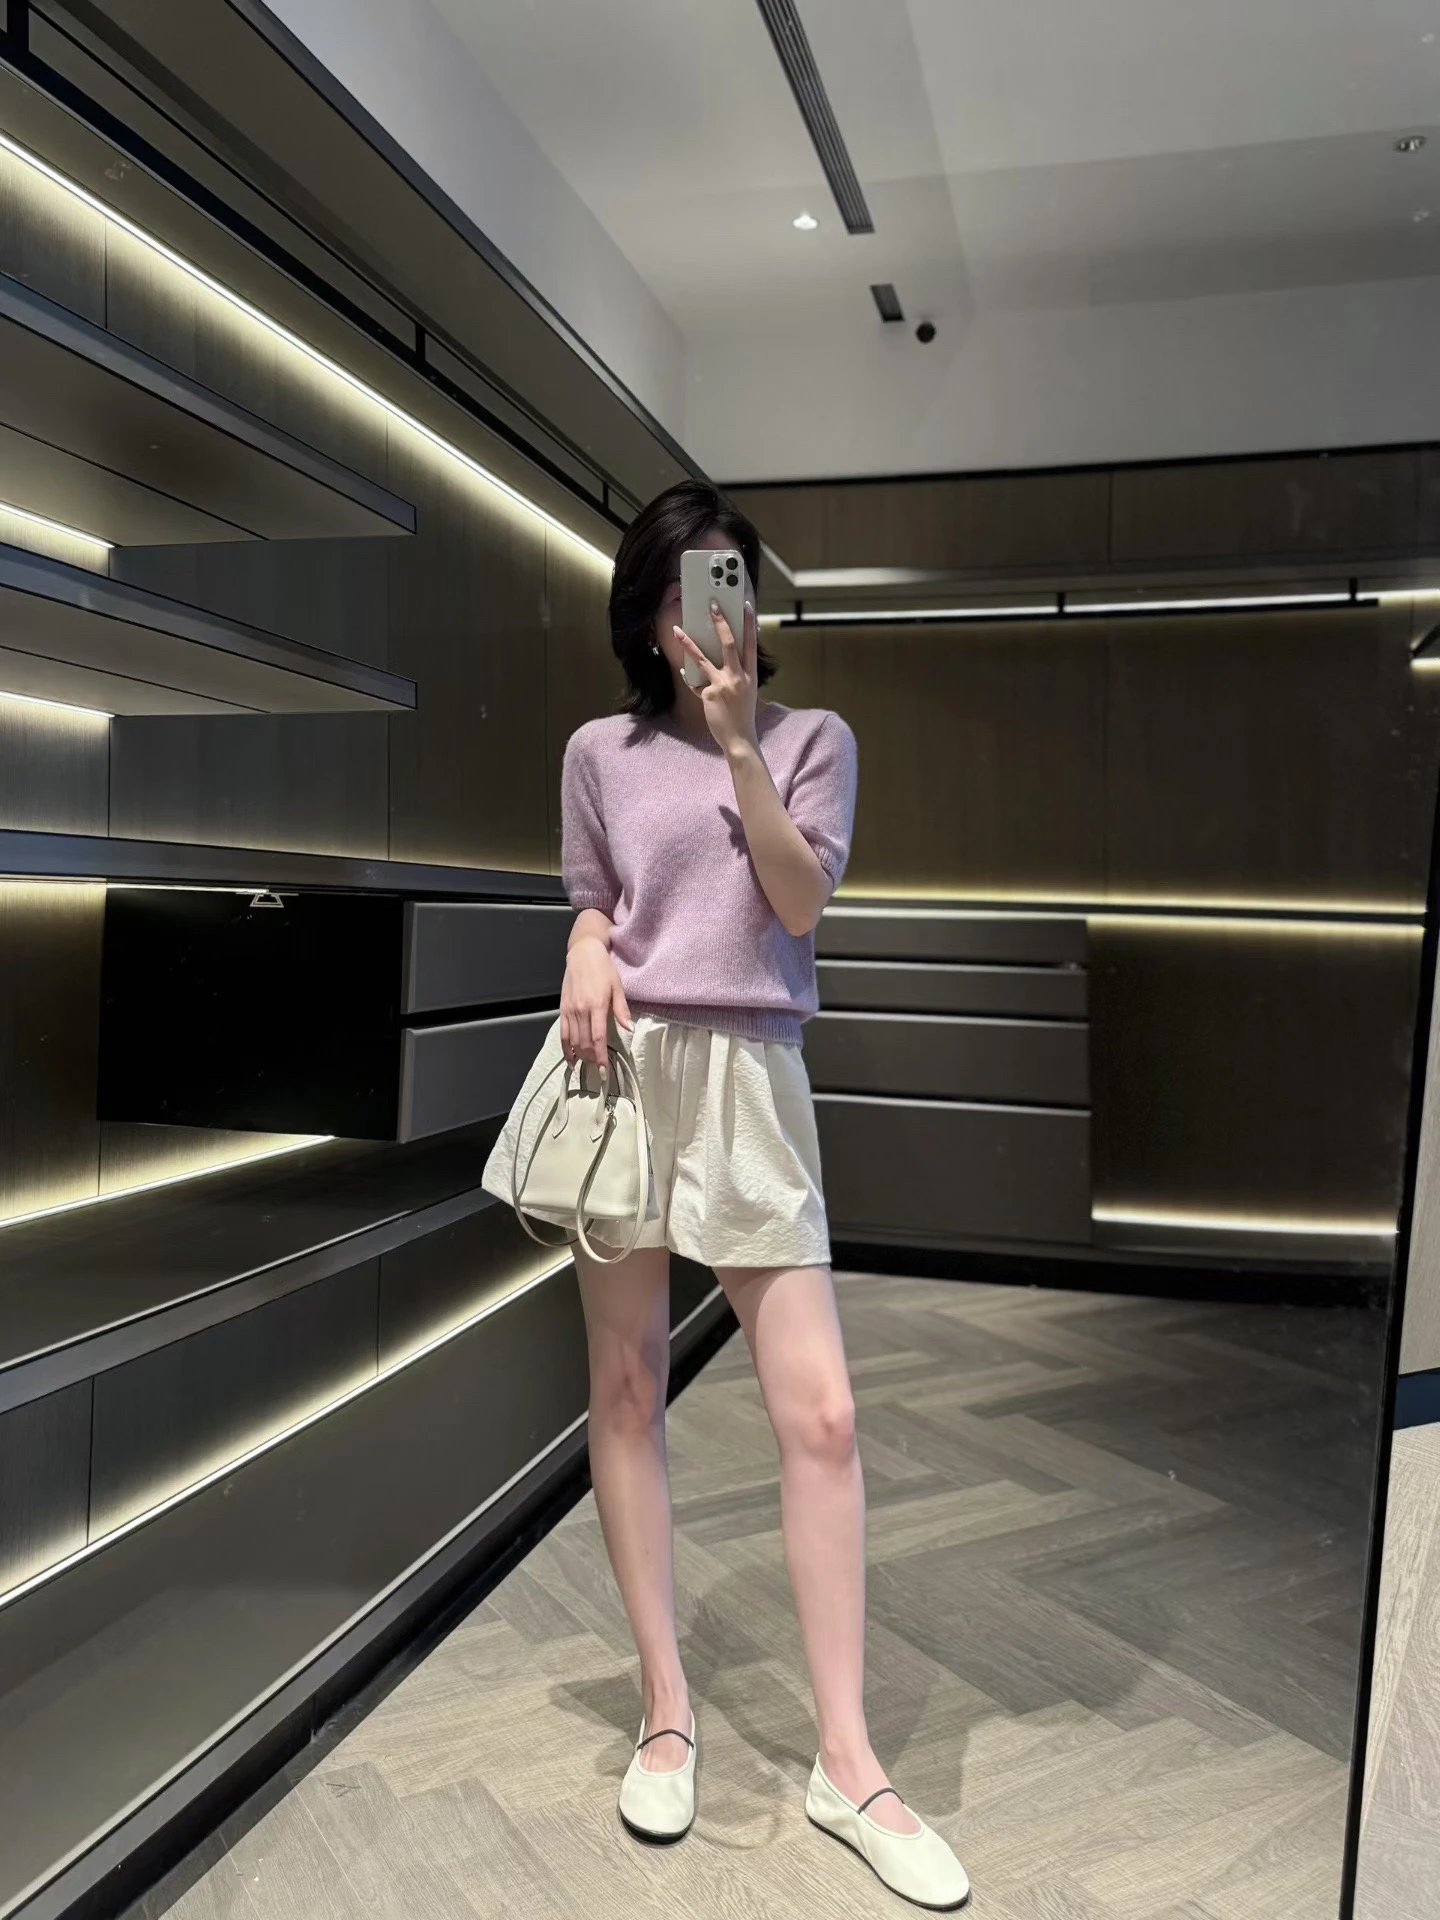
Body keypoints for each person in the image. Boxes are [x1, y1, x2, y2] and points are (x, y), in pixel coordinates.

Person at [483, 479, 969, 1910]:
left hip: (754, 1074)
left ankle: (847, 1762)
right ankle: (666, 1711)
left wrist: (743, 740)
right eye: (691, 588)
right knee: (627, 1386)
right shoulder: (598, 752)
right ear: (649, 614)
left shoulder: (815, 739)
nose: (717, 612)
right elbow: (598, 893)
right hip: (626, 1071)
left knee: (822, 1412)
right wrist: (584, 937)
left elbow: (799, 905)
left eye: (735, 583)